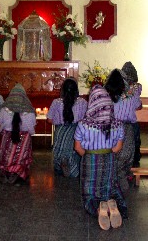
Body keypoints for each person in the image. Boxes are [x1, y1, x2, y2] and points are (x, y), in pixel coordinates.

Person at [74, 84, 127, 231]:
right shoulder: (118, 124)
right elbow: (117, 148)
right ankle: (110, 203)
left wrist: (89, 156)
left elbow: (78, 148)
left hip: (90, 160)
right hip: (108, 159)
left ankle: (98, 210)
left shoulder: (83, 124)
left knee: (89, 193)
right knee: (108, 187)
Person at [105, 69, 142, 192]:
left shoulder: (106, 95)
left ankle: (112, 177)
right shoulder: (130, 96)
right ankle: (121, 176)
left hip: (110, 127)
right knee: (127, 155)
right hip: (126, 127)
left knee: (113, 153)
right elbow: (138, 105)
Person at [0, 83, 36, 184]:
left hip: (7, 138)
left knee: (6, 156)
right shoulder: (29, 111)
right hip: (24, 140)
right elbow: (31, 129)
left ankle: (6, 171)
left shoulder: (4, 109)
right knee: (22, 156)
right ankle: (17, 172)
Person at [47, 77, 87, 177]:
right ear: (76, 90)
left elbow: (49, 120)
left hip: (60, 131)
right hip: (76, 131)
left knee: (59, 151)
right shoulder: (82, 102)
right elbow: (87, 119)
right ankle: (71, 167)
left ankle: (60, 165)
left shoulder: (56, 102)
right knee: (74, 152)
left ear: (63, 90)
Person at [121, 61, 142, 167]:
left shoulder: (117, 90)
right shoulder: (136, 89)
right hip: (130, 123)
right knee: (135, 140)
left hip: (118, 123)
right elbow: (139, 105)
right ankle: (135, 160)